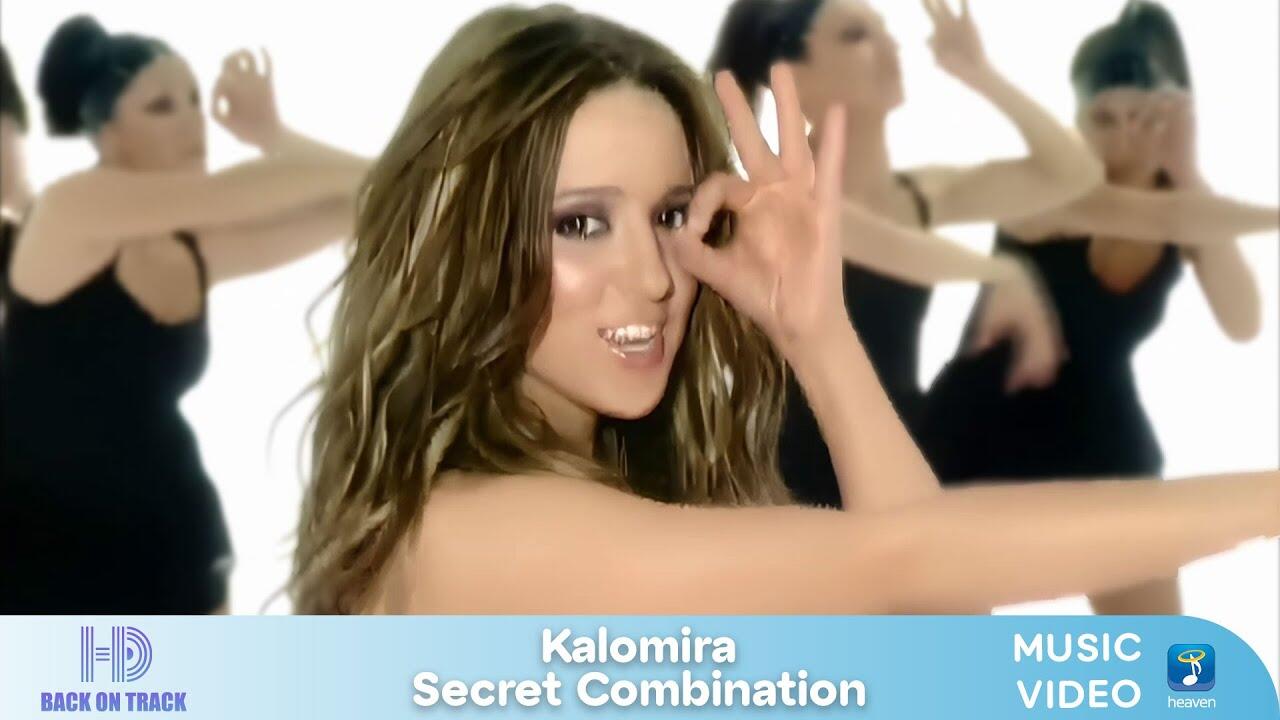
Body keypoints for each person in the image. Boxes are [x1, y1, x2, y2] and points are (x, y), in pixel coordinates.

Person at [289, 5, 1279, 616]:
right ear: (464, 236)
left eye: (670, 215)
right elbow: (907, 565)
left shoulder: (619, 489)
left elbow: (940, 652)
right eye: (580, 223)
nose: (654, 277)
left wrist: (818, 334)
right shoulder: (472, 530)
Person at [921, 0, 1280, 615]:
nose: (1122, 133)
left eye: (1138, 116)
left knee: (1162, 658)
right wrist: (981, 73)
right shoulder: (1054, 183)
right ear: (1079, 117)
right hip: (982, 430)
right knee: (946, 653)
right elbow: (1132, 215)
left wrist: (1185, 168)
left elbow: (1243, 320)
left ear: (1166, 114)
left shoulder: (1184, 205)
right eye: (1103, 117)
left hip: (1101, 435)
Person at [0, 15, 367, 613]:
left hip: (175, 542)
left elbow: (366, 204)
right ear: (107, 133)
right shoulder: (68, 209)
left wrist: (273, 134)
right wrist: (400, 167)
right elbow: (228, 195)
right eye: (162, 106)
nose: (194, 121)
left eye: (196, 100)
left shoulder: (195, 248)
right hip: (40, 558)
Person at [708, 0, 1102, 510]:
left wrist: (978, 73)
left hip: (899, 453)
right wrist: (1002, 271)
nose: (889, 45)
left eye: (884, 30)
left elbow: (1073, 173)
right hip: (800, 477)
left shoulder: (918, 195)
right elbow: (884, 247)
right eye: (856, 35)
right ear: (794, 77)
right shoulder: (779, 199)